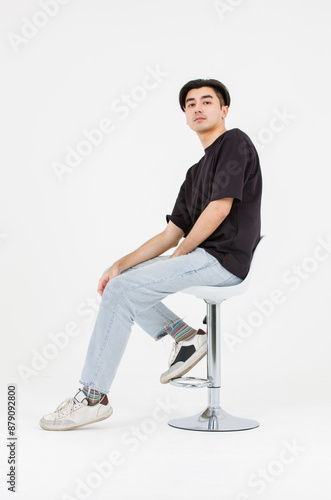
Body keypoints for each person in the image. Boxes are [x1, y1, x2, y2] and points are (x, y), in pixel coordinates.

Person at [40, 78, 262, 431]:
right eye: (190, 104)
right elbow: (170, 234)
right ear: (185, 116)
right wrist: (119, 265)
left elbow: (219, 209)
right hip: (200, 258)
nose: (198, 108)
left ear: (224, 110)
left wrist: (182, 252)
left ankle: (92, 397)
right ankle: (186, 337)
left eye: (207, 101)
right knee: (122, 282)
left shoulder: (235, 143)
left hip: (224, 261)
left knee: (123, 292)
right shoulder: (194, 174)